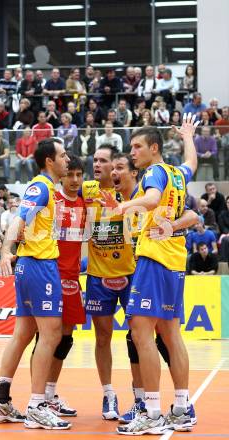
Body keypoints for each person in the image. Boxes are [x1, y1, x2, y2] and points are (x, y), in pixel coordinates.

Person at [106, 116, 199, 435]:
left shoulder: (155, 172)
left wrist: (124, 207)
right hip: (175, 260)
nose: (132, 152)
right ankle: (183, 408)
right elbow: (191, 162)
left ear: (154, 148)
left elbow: (152, 199)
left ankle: (153, 412)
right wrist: (189, 135)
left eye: (137, 147)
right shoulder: (178, 173)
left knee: (141, 332)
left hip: (154, 258)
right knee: (171, 335)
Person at [0, 139, 71, 430]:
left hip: (30, 266)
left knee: (22, 334)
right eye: (62, 155)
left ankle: (1, 400)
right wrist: (6, 249)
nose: (67, 160)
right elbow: (19, 218)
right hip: (38, 266)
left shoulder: (49, 189)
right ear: (49, 160)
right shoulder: (41, 186)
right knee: (52, 334)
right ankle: (37, 405)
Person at [31, 153, 86, 418]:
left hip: (72, 279)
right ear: (61, 174)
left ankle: (50, 395)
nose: (75, 180)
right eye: (70, 174)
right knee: (44, 338)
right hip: (49, 275)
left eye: (79, 175)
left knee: (65, 339)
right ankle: (37, 398)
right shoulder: (51, 198)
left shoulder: (88, 203)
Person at [81, 144, 133, 420]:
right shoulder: (87, 189)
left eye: (103, 160)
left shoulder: (124, 189)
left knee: (137, 337)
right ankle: (109, 394)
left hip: (130, 273)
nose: (97, 164)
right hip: (98, 277)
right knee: (103, 337)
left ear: (115, 165)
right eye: (95, 160)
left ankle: (140, 396)